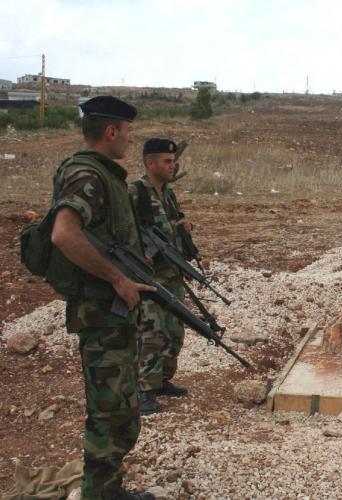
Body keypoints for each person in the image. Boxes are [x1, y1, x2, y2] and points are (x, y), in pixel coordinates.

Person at [49, 96, 156, 499]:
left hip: (112, 315)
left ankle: (108, 489)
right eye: (128, 131)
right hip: (100, 313)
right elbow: (64, 233)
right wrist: (118, 279)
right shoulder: (86, 173)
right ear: (111, 131)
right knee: (109, 411)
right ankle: (99, 493)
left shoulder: (105, 175)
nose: (131, 139)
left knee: (121, 410)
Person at [129, 138, 191, 415]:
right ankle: (145, 389)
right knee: (152, 334)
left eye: (173, 161)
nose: (172, 165)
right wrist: (138, 254)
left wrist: (185, 227)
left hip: (173, 275)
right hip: (148, 278)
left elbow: (169, 227)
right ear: (150, 163)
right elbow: (121, 232)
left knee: (175, 331)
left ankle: (162, 379)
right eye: (167, 161)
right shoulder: (135, 193)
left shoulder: (167, 194)